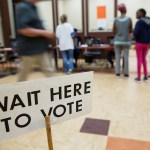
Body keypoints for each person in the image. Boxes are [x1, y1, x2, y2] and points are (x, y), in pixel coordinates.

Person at [16, 0, 55, 82]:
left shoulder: (33, 7)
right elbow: (24, 30)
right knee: (22, 77)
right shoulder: (23, 7)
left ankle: (58, 91)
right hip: (28, 51)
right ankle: (17, 92)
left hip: (40, 49)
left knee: (51, 74)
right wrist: (45, 33)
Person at [113, 3, 132, 77]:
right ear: (125, 10)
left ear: (119, 10)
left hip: (117, 41)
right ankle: (126, 73)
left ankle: (117, 73)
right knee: (126, 57)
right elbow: (130, 31)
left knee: (117, 58)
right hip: (126, 41)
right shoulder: (129, 19)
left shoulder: (116, 20)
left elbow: (113, 31)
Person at [134, 9, 150, 82]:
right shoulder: (149, 22)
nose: (136, 15)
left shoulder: (139, 22)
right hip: (147, 43)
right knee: (144, 59)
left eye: (137, 13)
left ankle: (139, 76)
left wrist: (135, 37)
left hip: (139, 43)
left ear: (142, 14)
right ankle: (146, 75)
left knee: (139, 60)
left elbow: (135, 33)